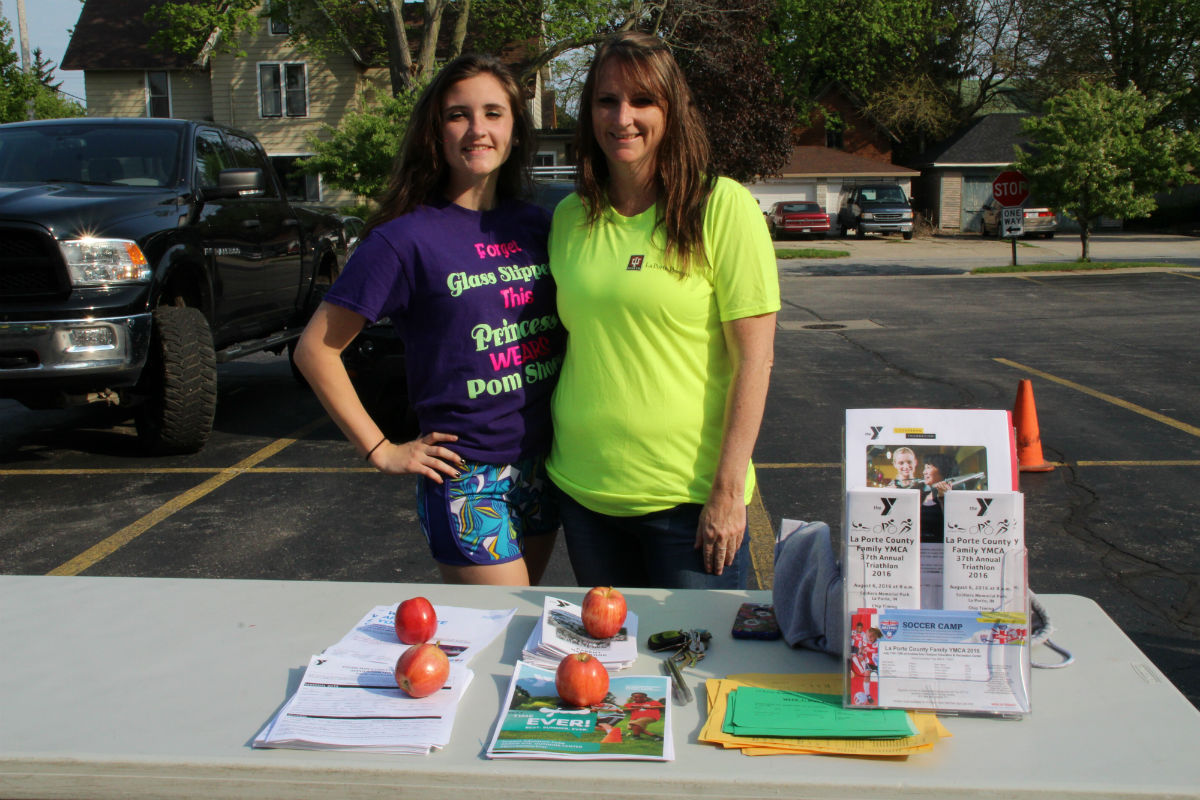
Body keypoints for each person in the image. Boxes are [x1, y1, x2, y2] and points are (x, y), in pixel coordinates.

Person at [294, 54, 562, 586]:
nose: (477, 129)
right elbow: (315, 350)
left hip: (544, 466)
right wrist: (381, 450)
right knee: (502, 632)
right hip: (467, 479)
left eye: (493, 113)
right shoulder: (404, 239)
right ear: (435, 132)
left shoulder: (539, 224)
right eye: (458, 115)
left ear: (515, 128)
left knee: (522, 628)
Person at [546, 31, 780, 589]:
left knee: (702, 671)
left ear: (671, 111)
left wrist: (727, 494)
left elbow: (755, 361)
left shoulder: (722, 207)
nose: (623, 117)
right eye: (607, 100)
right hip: (586, 495)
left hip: (690, 503)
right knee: (613, 669)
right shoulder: (569, 218)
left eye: (642, 101)